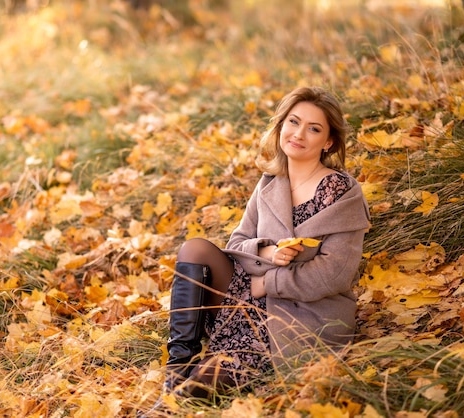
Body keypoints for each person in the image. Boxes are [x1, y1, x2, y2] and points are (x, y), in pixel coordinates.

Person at [157, 86, 370, 403]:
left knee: (203, 381)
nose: (299, 134)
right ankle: (179, 364)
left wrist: (267, 283)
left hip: (301, 317)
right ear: (282, 125)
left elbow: (334, 274)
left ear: (328, 142)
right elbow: (238, 242)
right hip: (246, 295)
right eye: (293, 122)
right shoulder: (272, 181)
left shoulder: (341, 193)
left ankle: (175, 398)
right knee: (195, 249)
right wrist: (267, 251)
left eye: (313, 129)